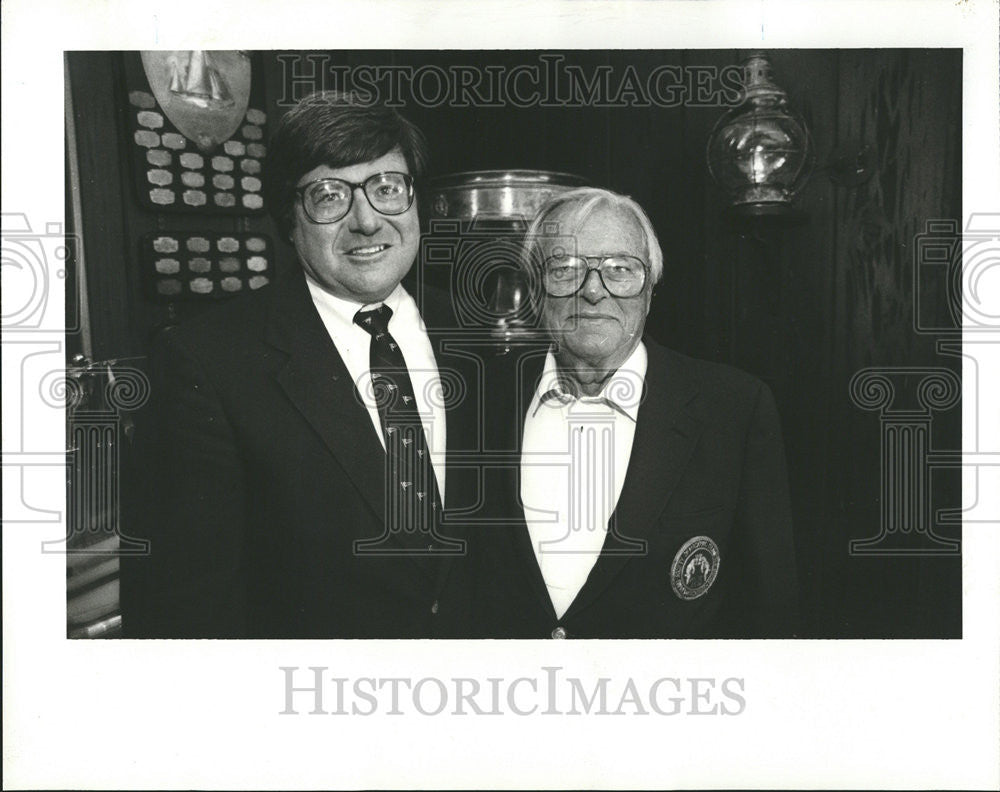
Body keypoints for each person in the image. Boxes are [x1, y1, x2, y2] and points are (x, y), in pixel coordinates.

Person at [122, 92, 477, 638]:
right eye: (329, 196)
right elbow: (183, 611)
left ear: (415, 202)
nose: (367, 220)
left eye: (387, 188)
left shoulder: (481, 334)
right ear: (288, 219)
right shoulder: (206, 363)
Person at [463, 187, 799, 638]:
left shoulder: (733, 408)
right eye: (565, 269)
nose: (594, 292)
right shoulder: (479, 400)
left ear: (651, 288)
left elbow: (770, 611)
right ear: (534, 288)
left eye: (620, 270)